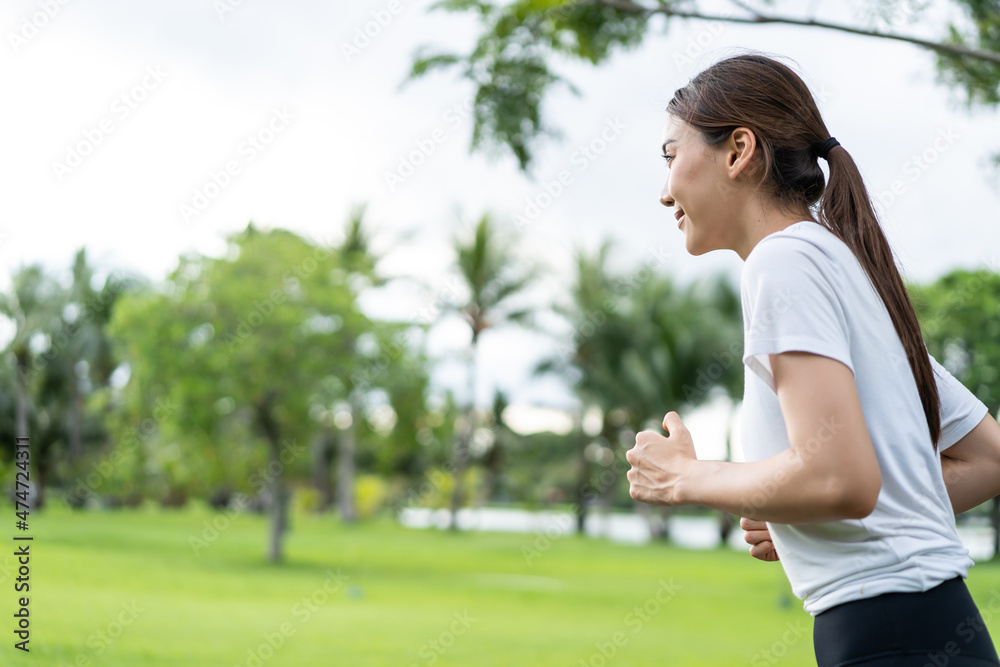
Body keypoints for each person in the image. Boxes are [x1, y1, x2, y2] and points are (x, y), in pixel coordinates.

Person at [624, 52, 1000, 666]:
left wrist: (689, 478)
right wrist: (805, 513)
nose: (665, 192)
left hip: (888, 637)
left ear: (738, 150)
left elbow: (837, 478)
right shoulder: (843, 266)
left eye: (671, 157)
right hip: (929, 626)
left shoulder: (783, 262)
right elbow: (988, 458)